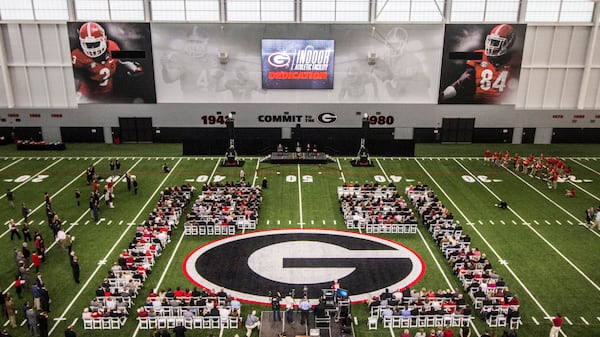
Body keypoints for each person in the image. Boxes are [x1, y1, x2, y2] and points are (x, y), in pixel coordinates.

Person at [440, 24, 519, 104]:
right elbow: (453, 58)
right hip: (479, 102)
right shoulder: (478, 55)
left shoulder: (515, 60)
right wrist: (443, 95)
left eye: (496, 43)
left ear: (508, 44)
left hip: (502, 104)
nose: (491, 46)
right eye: (491, 41)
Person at [71, 22, 143, 102]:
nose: (93, 48)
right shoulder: (77, 56)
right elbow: (74, 77)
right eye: (89, 45)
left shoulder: (112, 47)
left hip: (109, 94)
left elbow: (119, 61)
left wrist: (130, 66)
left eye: (95, 44)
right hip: (87, 96)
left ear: (104, 39)